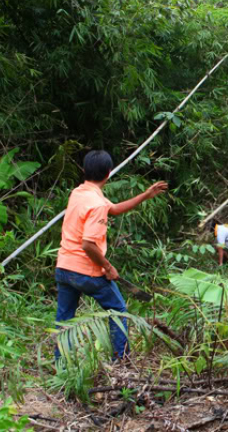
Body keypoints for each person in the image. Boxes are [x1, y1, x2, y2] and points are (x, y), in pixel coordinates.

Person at [55, 150, 168, 361]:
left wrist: (146, 195)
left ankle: (60, 366)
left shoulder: (79, 193)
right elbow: (88, 244)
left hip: (64, 267)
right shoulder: (96, 203)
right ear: (108, 173)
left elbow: (113, 209)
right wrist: (107, 267)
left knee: (64, 320)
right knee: (118, 310)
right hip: (84, 270)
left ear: (84, 171)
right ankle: (121, 362)